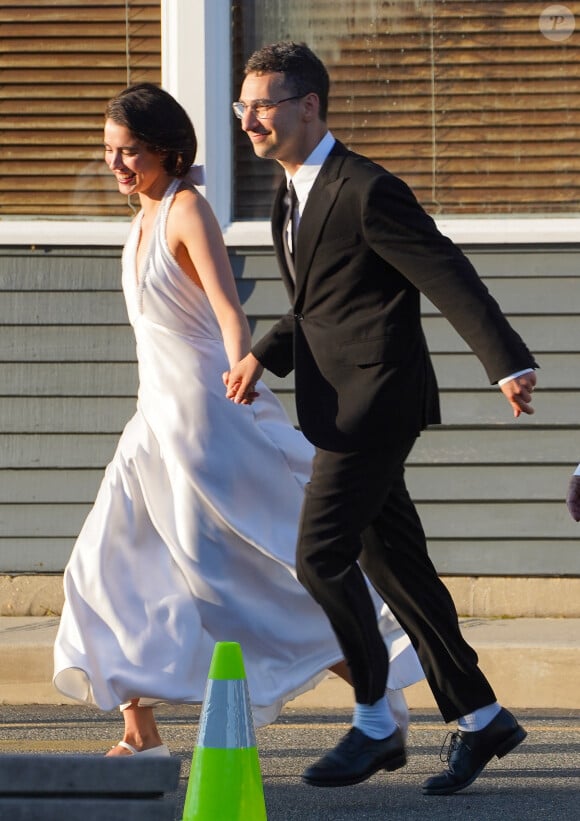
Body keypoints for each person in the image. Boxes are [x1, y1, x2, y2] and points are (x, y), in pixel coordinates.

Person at [52, 82, 425, 757]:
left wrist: (243, 373)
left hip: (203, 419)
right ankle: (140, 732)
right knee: (103, 564)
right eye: (109, 151)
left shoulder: (186, 208)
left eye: (128, 151)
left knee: (235, 584)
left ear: (166, 150)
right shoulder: (139, 216)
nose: (116, 164)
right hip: (151, 423)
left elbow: (229, 311)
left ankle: (373, 684)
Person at [226, 41, 538, 795]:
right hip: (336, 403)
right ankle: (481, 715)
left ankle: (374, 722)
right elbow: (317, 300)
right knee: (398, 570)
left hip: (377, 402)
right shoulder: (290, 190)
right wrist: (266, 352)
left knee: (319, 555)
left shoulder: (366, 187)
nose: (249, 120)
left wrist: (505, 359)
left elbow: (443, 266)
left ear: (309, 105)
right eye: (244, 107)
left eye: (262, 104)